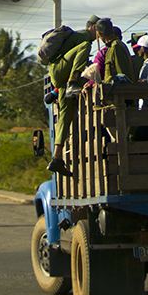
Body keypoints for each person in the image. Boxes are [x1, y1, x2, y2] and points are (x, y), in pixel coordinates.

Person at [45, 22, 97, 178]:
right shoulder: (85, 36)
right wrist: (74, 79)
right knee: (85, 46)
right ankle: (72, 82)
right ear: (93, 27)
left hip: (60, 78)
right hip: (59, 70)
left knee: (64, 117)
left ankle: (57, 157)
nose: (98, 35)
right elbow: (79, 55)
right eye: (98, 31)